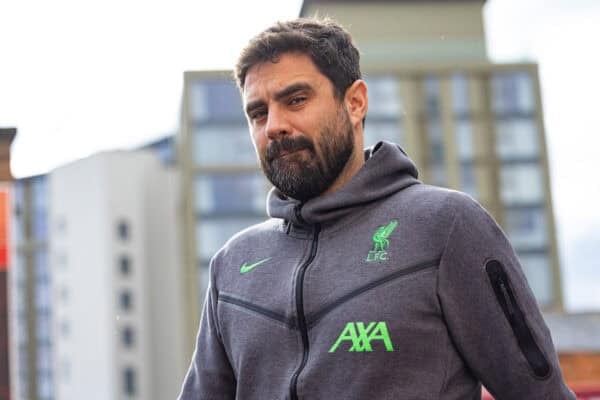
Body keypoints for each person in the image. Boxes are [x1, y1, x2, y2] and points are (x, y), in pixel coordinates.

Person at [178, 18, 574, 400]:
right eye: (258, 113)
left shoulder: (446, 227)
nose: (275, 126)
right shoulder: (233, 265)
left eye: (296, 100)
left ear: (355, 102)